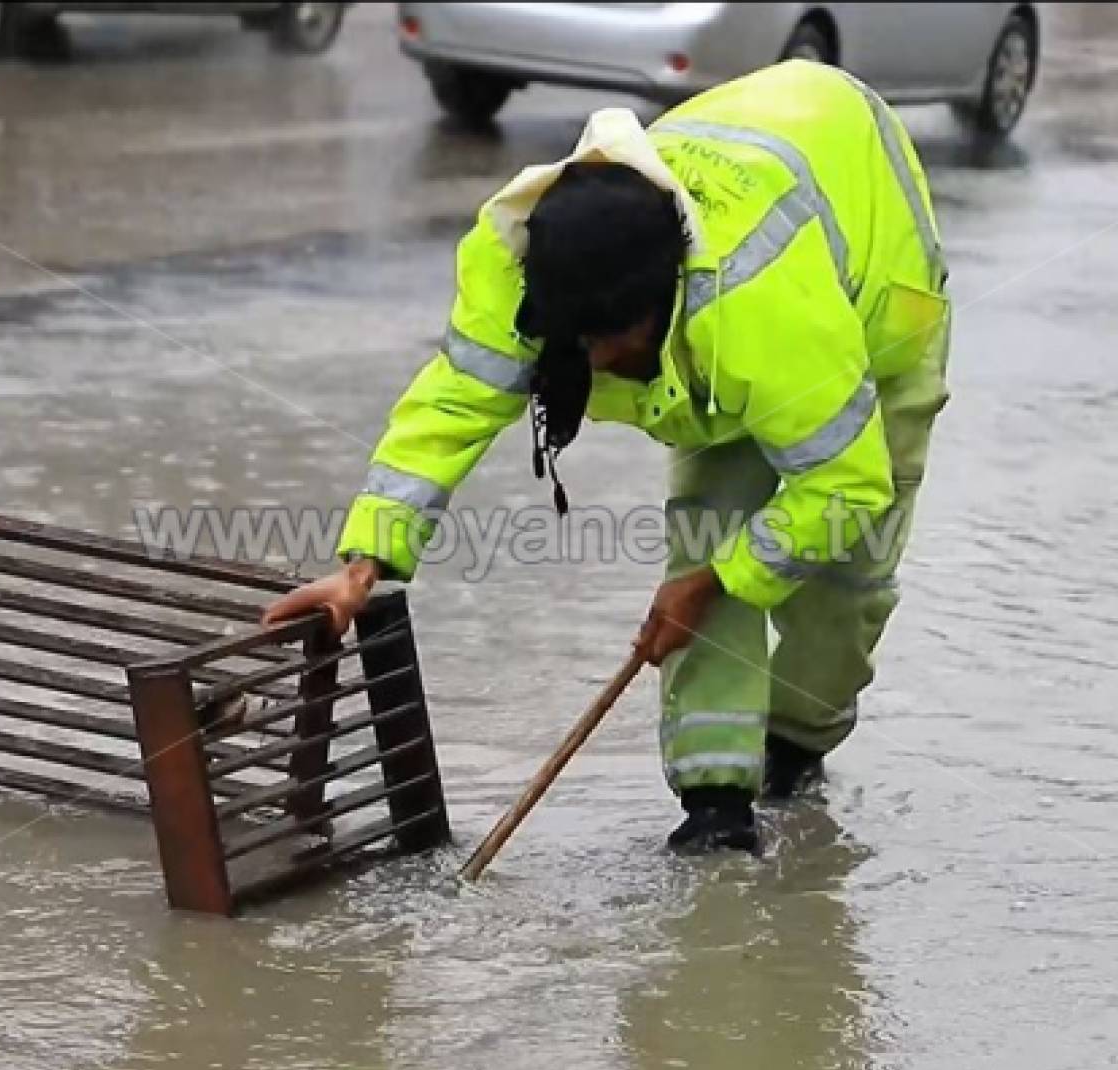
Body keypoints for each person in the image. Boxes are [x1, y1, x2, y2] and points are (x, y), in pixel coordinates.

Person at [264, 59, 951, 855]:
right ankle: (717, 806)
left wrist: (720, 579)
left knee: (843, 577)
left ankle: (795, 752)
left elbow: (846, 485)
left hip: (869, 264)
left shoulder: (762, 306)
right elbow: (452, 405)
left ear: (661, 306)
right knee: (707, 537)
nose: (587, 361)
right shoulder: (524, 270)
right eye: (573, 345)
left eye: (606, 344)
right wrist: (363, 561)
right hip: (747, 239)